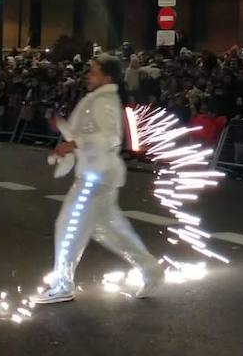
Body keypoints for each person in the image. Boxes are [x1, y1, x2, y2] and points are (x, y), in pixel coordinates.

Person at [31, 55, 165, 305]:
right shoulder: (100, 99)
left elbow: (109, 137)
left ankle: (62, 284)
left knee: (68, 227)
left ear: (108, 77)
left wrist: (74, 143)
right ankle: (150, 269)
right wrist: (62, 128)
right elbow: (88, 134)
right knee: (109, 230)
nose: (88, 75)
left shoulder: (104, 101)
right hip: (98, 174)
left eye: (93, 72)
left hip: (96, 175)